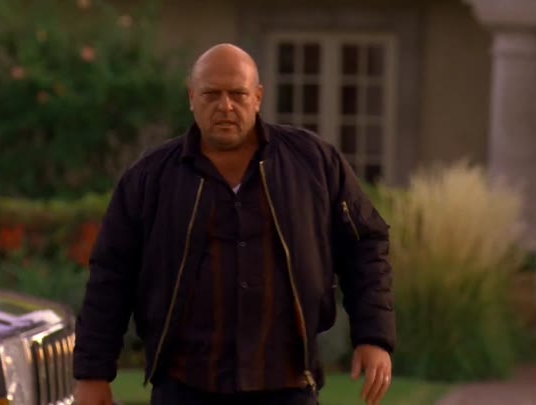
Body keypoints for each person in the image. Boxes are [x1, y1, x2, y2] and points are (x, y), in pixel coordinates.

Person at [72, 43, 395, 405]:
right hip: (185, 386)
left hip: (286, 384)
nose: (225, 106)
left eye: (237, 94)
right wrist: (93, 374)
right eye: (211, 94)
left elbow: (365, 245)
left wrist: (374, 336)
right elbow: (111, 275)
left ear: (257, 98)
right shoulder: (151, 177)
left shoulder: (313, 163)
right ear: (192, 98)